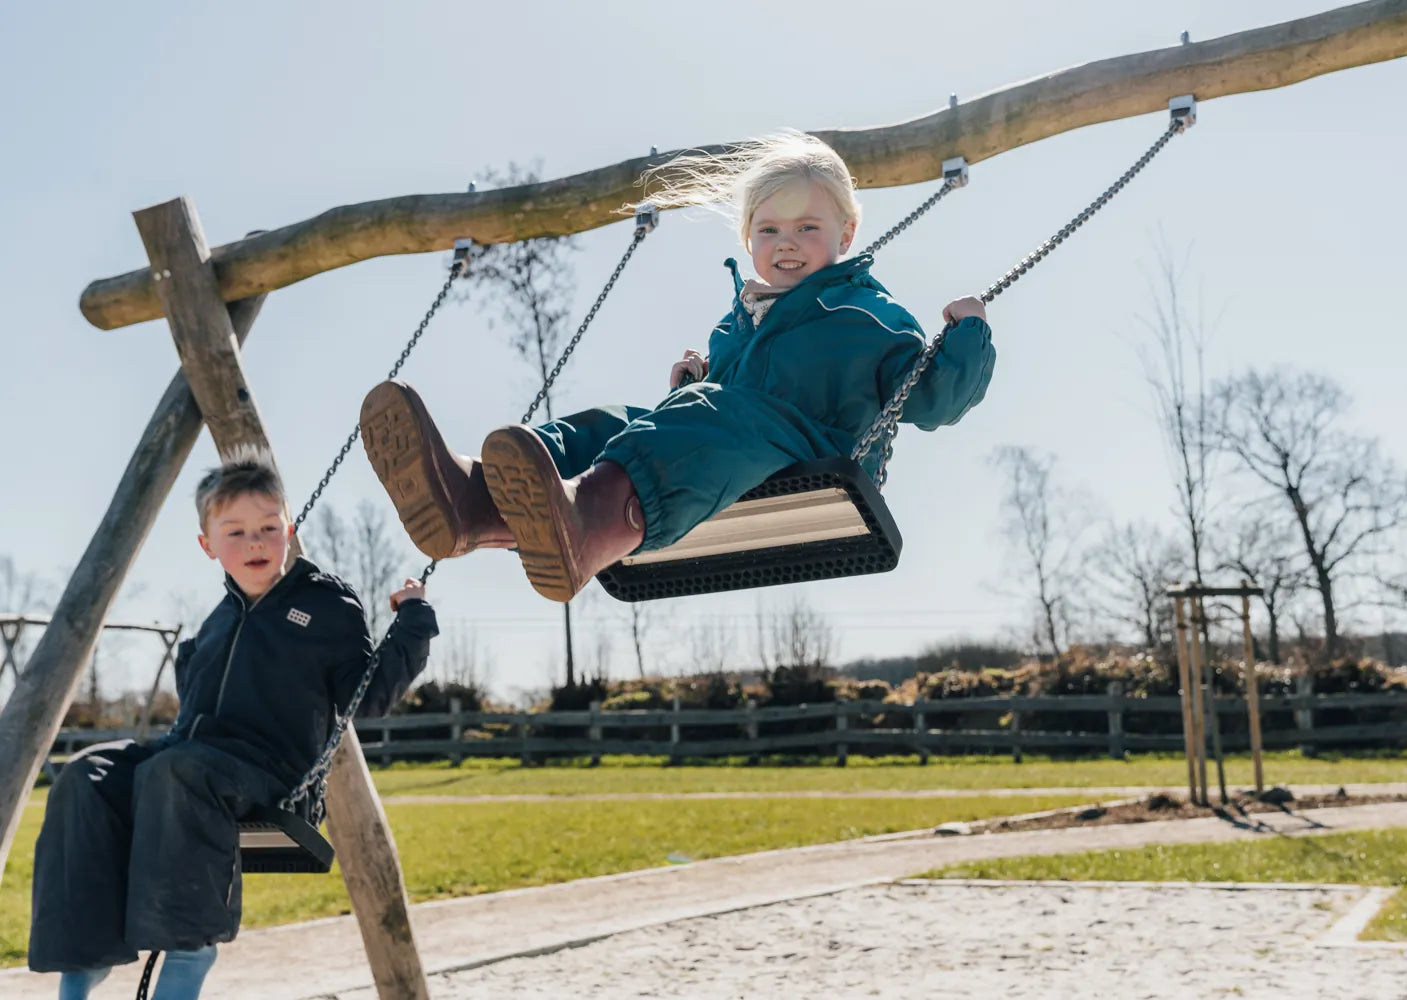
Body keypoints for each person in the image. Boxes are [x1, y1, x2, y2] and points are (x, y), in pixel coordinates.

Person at [360, 130, 995, 602]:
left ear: (847, 234)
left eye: (808, 226)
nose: (787, 243)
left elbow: (933, 400)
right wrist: (690, 389)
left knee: (710, 414)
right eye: (769, 230)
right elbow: (709, 415)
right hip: (733, 453)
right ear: (749, 239)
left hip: (814, 457)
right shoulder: (738, 321)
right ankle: (472, 502)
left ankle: (589, 525)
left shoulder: (868, 315)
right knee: (609, 424)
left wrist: (967, 335)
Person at [29, 449, 439, 999]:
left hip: (269, 776)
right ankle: (82, 968)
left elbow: (370, 696)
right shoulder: (217, 622)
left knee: (177, 772)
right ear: (208, 545)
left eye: (269, 528)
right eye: (237, 531)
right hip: (193, 763)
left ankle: (188, 955)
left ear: (288, 532)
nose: (255, 542)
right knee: (87, 775)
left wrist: (413, 620)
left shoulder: (327, 604)